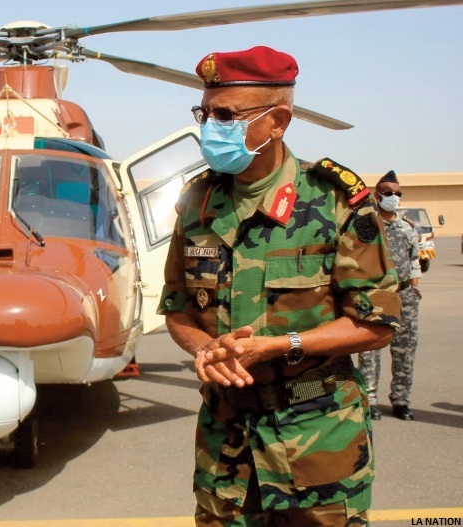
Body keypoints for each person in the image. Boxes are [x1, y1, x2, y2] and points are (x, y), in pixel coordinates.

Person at [158, 46, 402, 526]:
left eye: (226, 115)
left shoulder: (334, 201)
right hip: (225, 447)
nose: (210, 128)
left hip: (319, 441)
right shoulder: (196, 201)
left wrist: (279, 346)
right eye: (205, 114)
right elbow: (178, 307)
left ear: (278, 121)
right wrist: (205, 348)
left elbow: (377, 324)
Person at [358, 171, 422, 421]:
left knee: (405, 350)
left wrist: (414, 288)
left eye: (397, 193)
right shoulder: (368, 225)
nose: (393, 197)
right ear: (377, 195)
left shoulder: (407, 227)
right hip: (377, 294)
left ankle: (401, 400)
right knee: (370, 350)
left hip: (405, 295)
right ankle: (370, 399)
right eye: (388, 193)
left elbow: (414, 259)